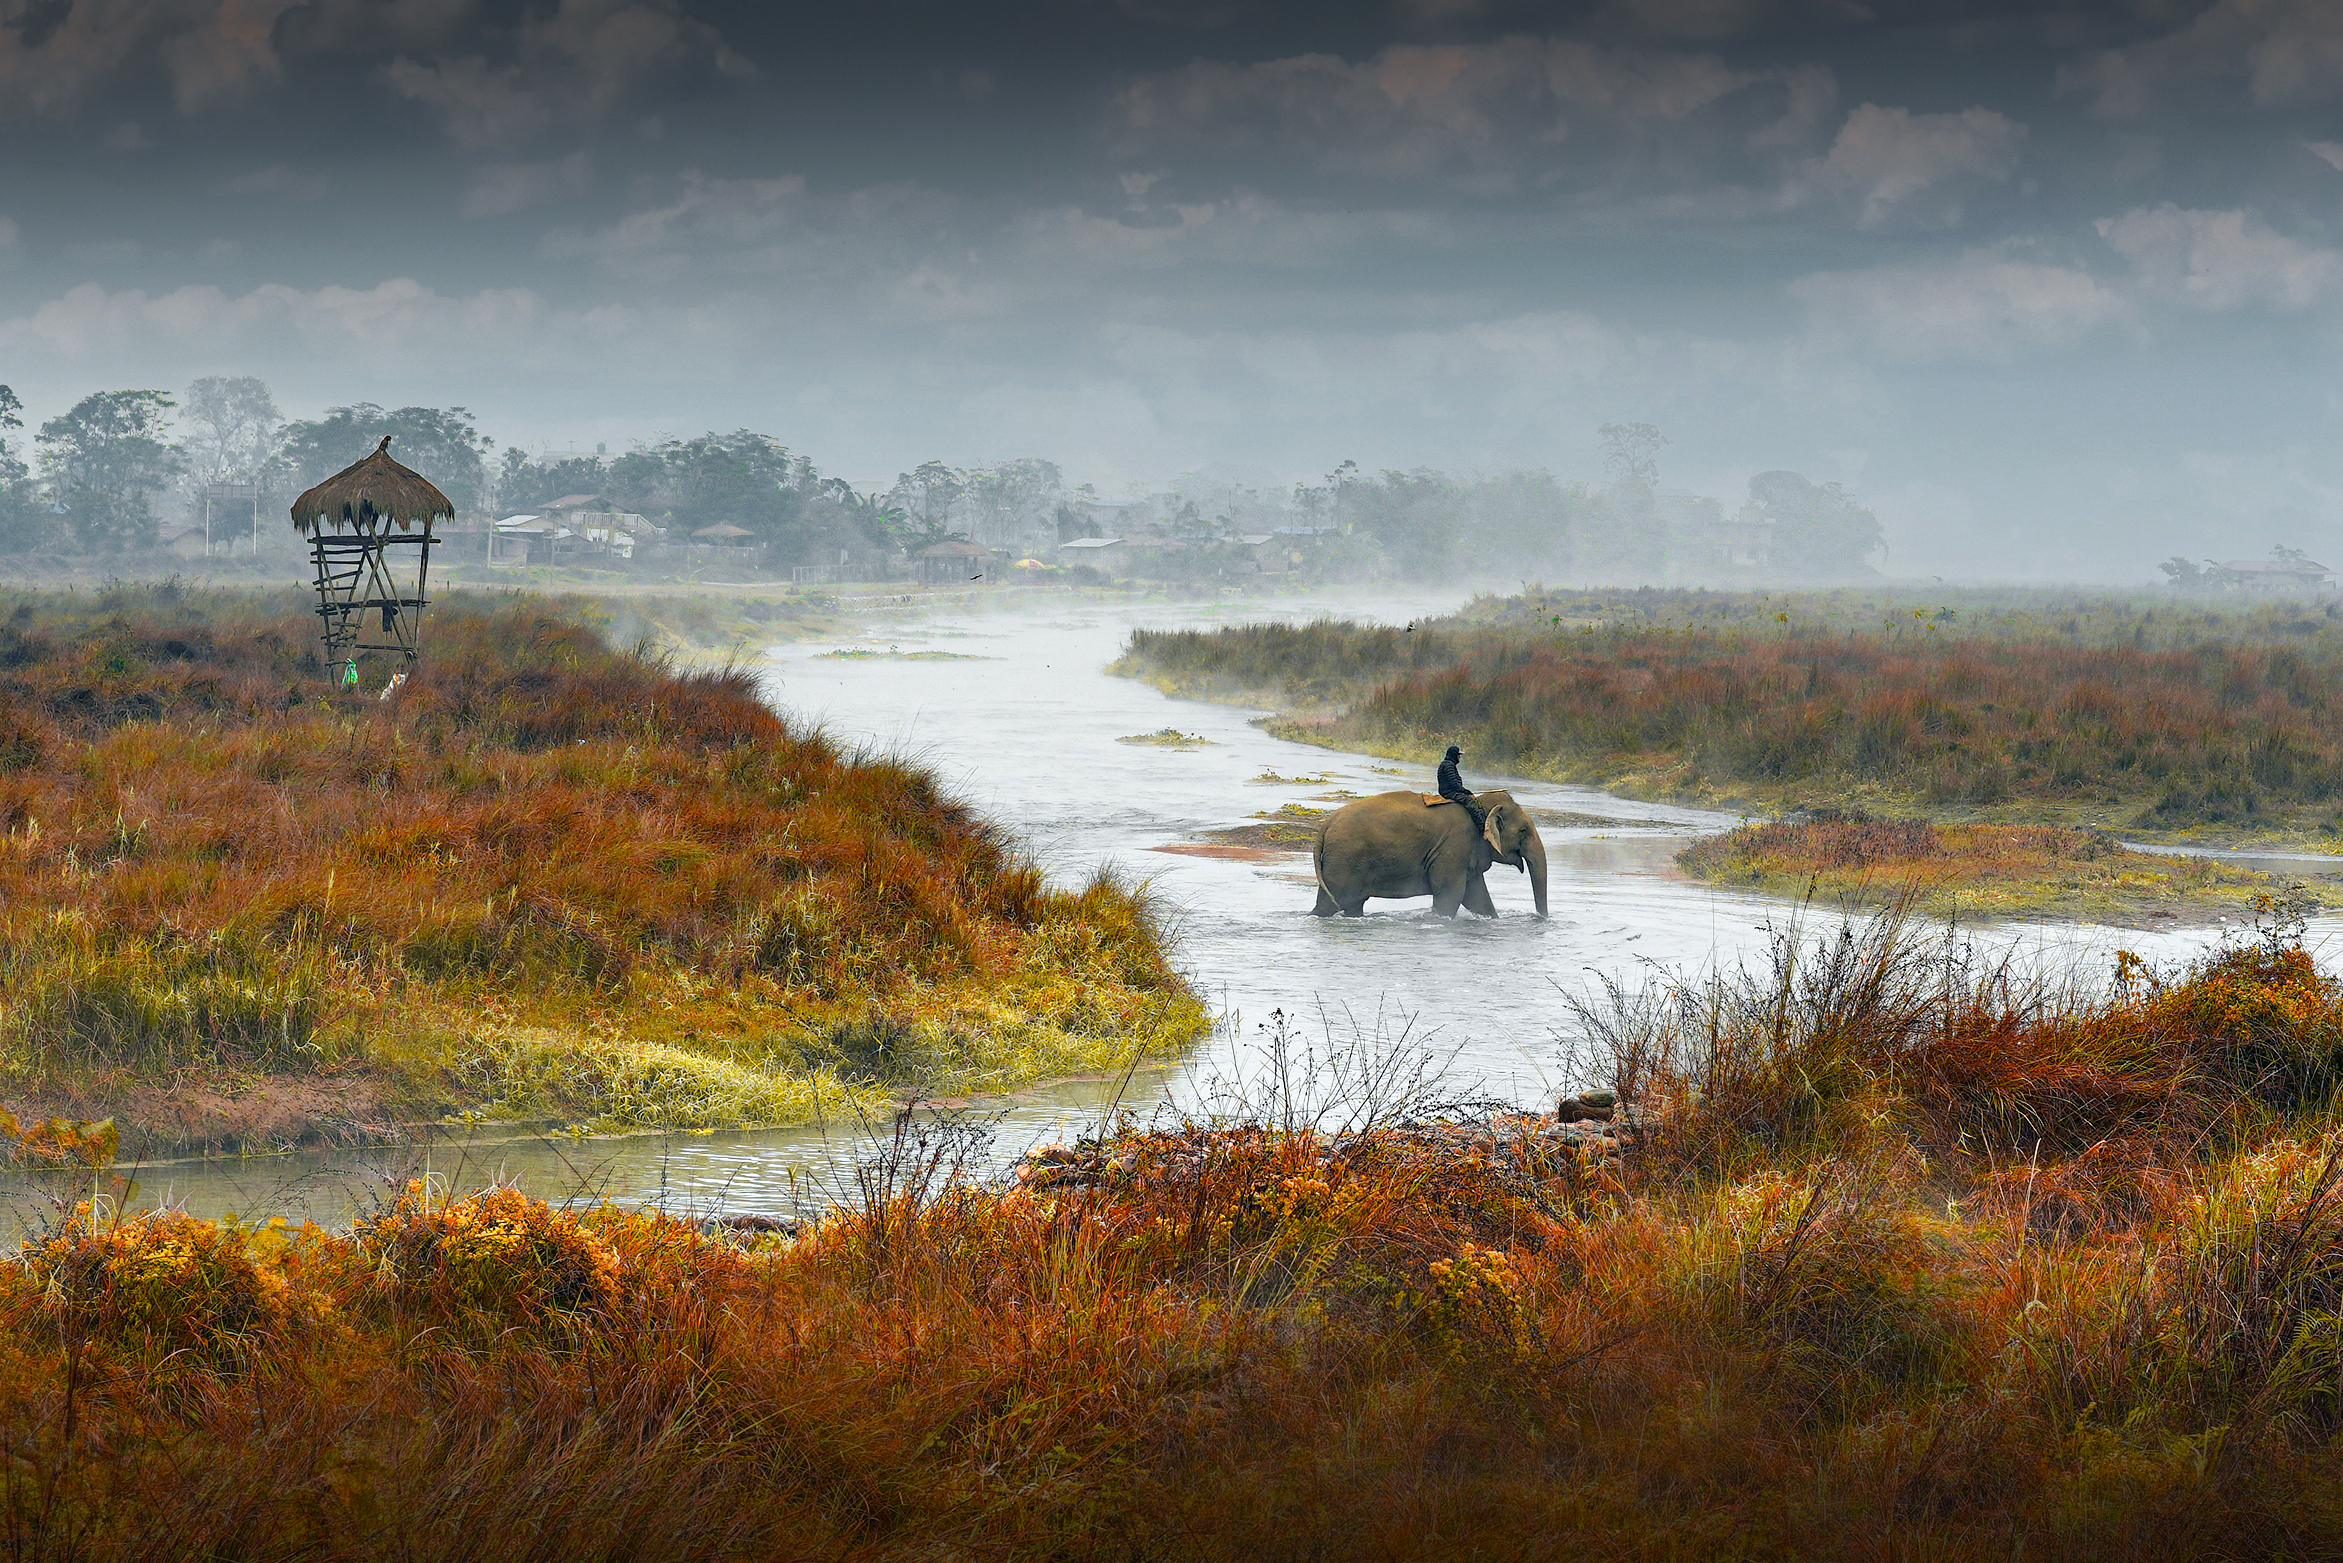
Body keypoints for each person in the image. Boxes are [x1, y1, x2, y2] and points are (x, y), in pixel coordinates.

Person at [1436, 744, 1487, 833]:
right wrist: (1464, 791)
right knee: (1469, 800)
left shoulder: (1448, 764)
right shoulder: (1448, 765)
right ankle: (1482, 826)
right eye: (1458, 755)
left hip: (1449, 791)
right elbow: (1453, 783)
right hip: (1448, 792)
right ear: (1453, 755)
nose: (1459, 757)